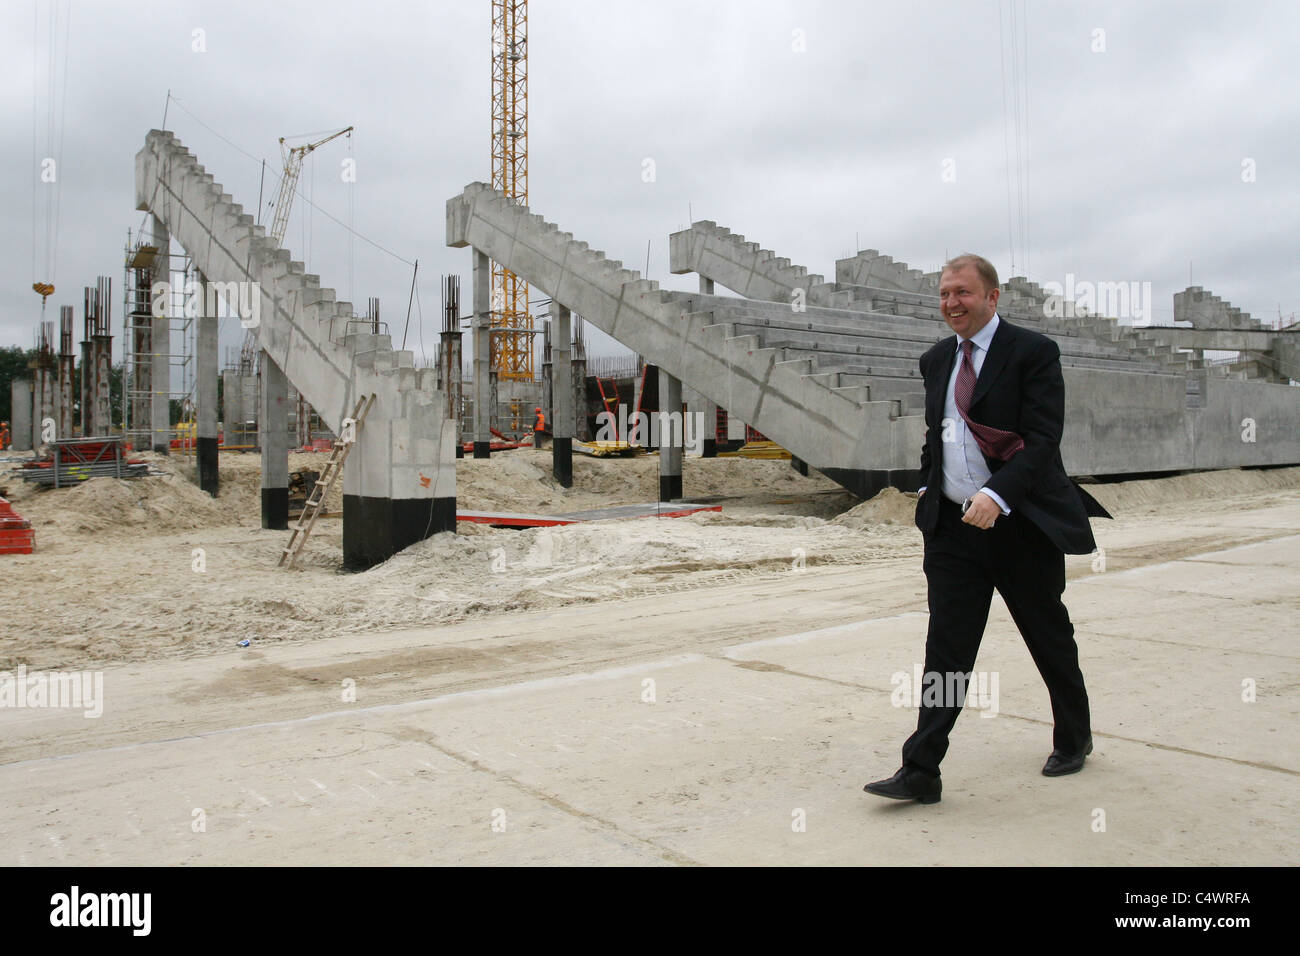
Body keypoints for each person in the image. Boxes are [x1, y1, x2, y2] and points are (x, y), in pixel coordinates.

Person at [864, 254, 1111, 805]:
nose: (953, 302)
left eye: (964, 293)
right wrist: (931, 486)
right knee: (946, 651)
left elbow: (1044, 440)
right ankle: (921, 769)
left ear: (992, 297)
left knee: (1047, 636)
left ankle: (1074, 737)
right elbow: (938, 436)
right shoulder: (934, 361)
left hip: (1021, 527)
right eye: (946, 293)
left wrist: (997, 496)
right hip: (953, 533)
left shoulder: (1033, 353)